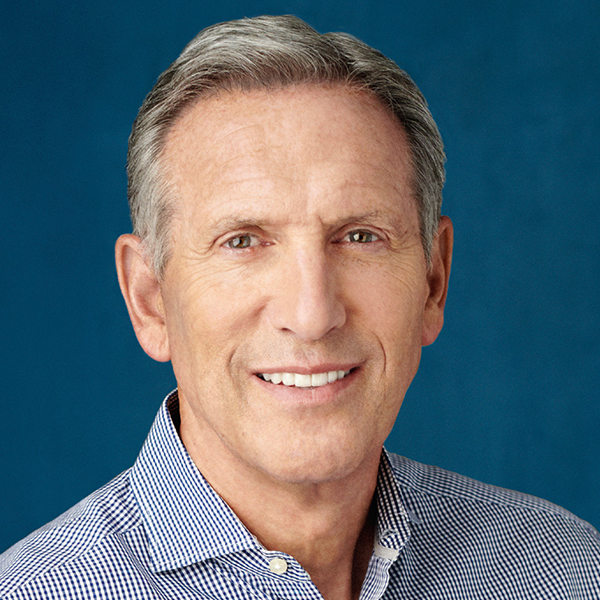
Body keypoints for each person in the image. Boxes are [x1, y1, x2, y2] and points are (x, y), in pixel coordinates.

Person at [1, 14, 598, 600]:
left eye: (360, 237)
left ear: (433, 281)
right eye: (243, 241)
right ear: (150, 299)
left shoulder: (564, 569)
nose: (312, 314)